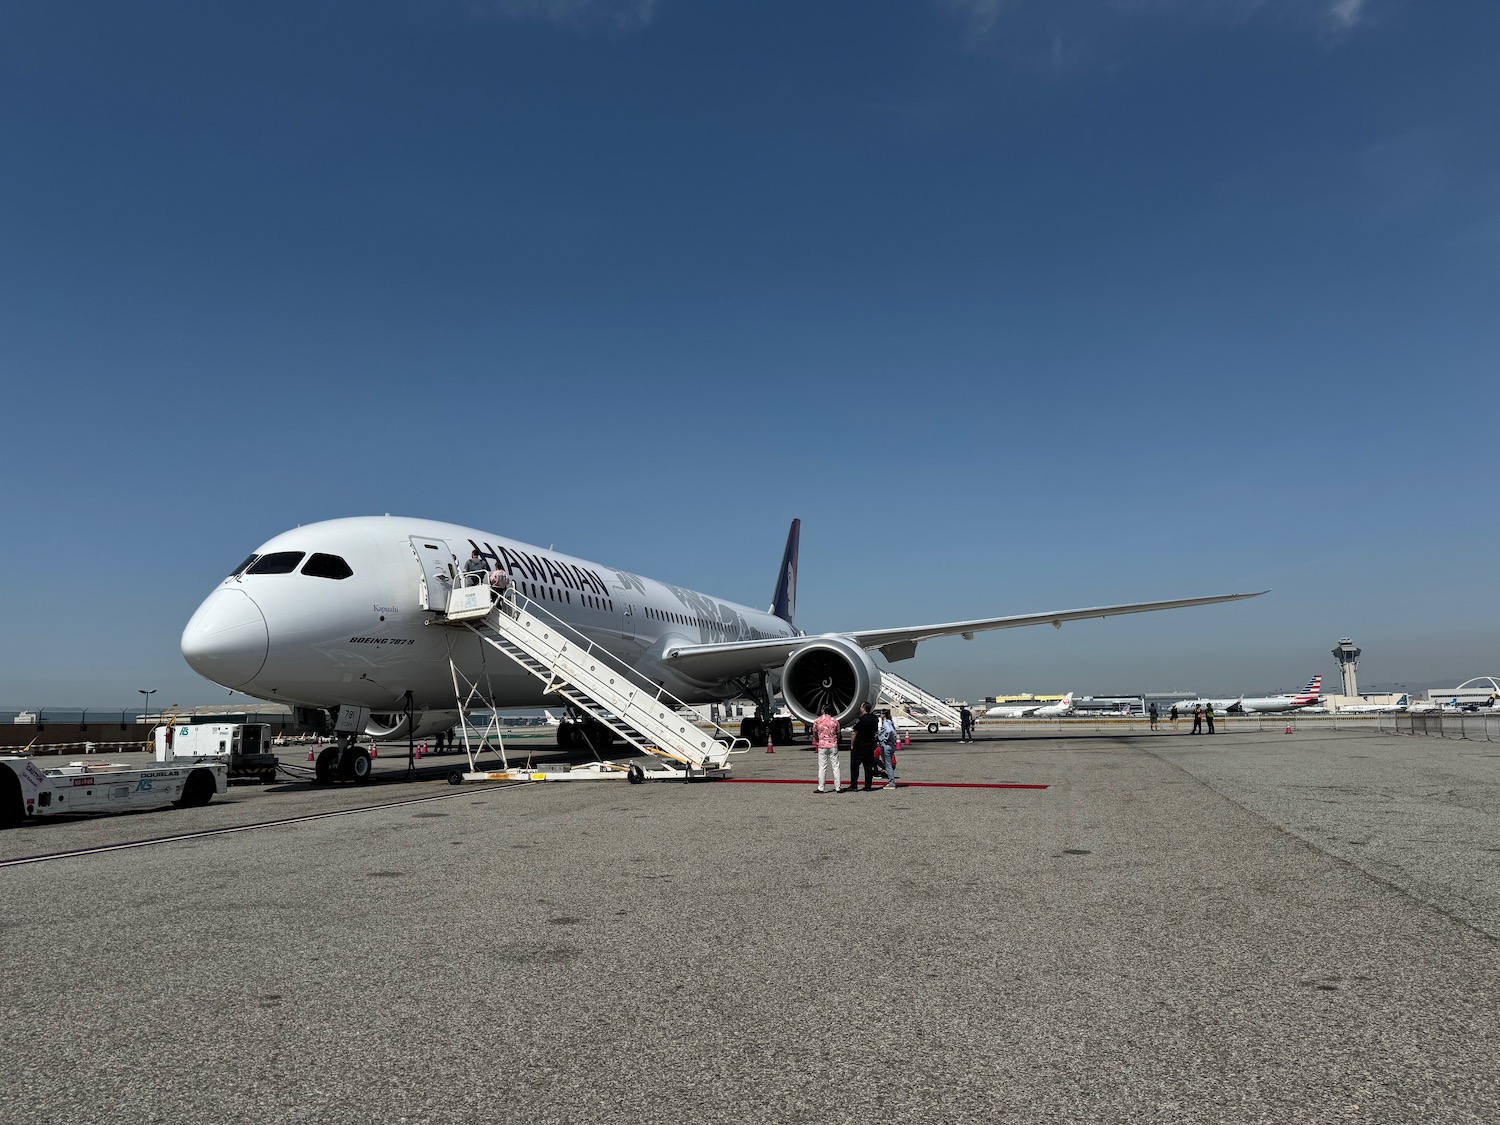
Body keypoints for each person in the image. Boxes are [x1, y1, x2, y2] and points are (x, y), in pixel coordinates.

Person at [849, 702, 879, 791]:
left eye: (861, 706)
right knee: (868, 766)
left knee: (855, 766)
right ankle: (868, 785)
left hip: (860, 745)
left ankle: (854, 785)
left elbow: (854, 732)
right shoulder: (874, 719)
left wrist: (852, 745)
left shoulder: (861, 719)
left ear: (863, 708)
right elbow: (875, 732)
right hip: (870, 744)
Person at [811, 706, 841, 794]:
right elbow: (838, 733)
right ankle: (838, 787)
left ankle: (821, 787)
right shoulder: (835, 721)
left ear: (823, 711)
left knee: (822, 767)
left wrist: (818, 741)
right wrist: (836, 741)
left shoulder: (817, 721)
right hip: (833, 745)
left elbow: (814, 733)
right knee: (836, 767)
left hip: (822, 745)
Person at [877, 709, 899, 790]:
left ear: (884, 715)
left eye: (881, 713)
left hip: (886, 745)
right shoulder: (890, 722)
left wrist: (884, 738)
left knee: (888, 764)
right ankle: (891, 781)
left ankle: (891, 783)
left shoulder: (886, 723)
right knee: (888, 764)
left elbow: (889, 731)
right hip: (891, 745)